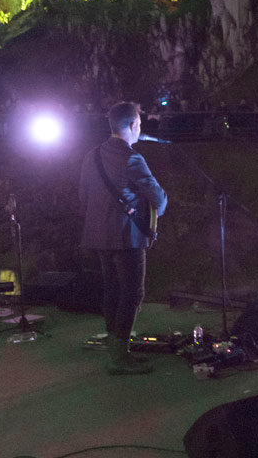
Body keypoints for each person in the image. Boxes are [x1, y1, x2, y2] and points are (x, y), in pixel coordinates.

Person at [79, 102, 168, 375]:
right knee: (132, 293)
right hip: (126, 238)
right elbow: (159, 200)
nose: (140, 129)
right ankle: (119, 357)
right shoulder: (132, 158)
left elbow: (84, 197)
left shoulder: (90, 157)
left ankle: (115, 346)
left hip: (98, 236)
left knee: (112, 290)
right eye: (139, 124)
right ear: (131, 126)